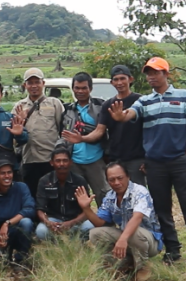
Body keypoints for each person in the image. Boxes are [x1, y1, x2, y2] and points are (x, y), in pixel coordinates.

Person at [108, 57, 186, 264]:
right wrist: (120, 116)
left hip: (180, 161)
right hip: (155, 164)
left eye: (156, 72)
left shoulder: (183, 96)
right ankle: (173, 251)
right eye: (148, 73)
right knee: (162, 209)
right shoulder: (144, 101)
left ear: (166, 74)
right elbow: (129, 114)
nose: (151, 77)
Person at [76, 162, 162, 281]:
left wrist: (122, 239)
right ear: (107, 181)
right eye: (112, 180)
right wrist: (86, 208)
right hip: (127, 239)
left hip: (149, 242)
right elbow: (99, 223)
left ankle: (142, 266)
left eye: (120, 178)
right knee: (95, 233)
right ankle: (119, 264)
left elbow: (137, 218)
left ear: (128, 176)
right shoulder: (110, 197)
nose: (116, 183)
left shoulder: (140, 191)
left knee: (133, 232)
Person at [61, 65, 146, 185]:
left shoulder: (141, 101)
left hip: (136, 159)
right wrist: (82, 138)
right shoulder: (107, 105)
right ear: (112, 83)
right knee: (117, 195)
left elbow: (150, 130)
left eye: (122, 78)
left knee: (138, 194)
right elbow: (99, 131)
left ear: (130, 79)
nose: (119, 82)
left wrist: (148, 158)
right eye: (116, 79)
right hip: (115, 158)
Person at [59, 72, 110, 206]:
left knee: (103, 194)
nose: (80, 91)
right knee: (77, 196)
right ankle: (81, 225)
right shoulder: (67, 110)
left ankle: (107, 224)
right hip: (75, 162)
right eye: (77, 88)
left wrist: (81, 138)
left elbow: (102, 132)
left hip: (96, 161)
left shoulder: (100, 107)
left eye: (84, 88)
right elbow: (61, 134)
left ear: (90, 89)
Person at [13, 68, 64, 199]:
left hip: (50, 159)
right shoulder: (19, 106)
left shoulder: (54, 103)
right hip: (29, 159)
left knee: (53, 194)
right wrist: (22, 120)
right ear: (25, 85)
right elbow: (14, 135)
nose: (34, 86)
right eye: (30, 83)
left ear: (43, 83)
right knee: (32, 194)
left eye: (37, 82)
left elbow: (62, 130)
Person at [35, 148, 94, 241]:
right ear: (51, 163)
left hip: (75, 221)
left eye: (65, 160)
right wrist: (48, 222)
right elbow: (40, 209)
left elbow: (86, 211)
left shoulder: (79, 181)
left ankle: (70, 241)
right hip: (54, 221)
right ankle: (64, 241)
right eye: (58, 161)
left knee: (90, 227)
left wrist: (71, 223)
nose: (61, 164)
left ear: (70, 162)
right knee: (41, 232)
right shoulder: (44, 181)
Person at [0, 160, 35, 264]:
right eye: (2, 173)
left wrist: (7, 223)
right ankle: (5, 257)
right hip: (1, 234)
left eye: (9, 172)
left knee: (26, 222)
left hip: (18, 229)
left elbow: (30, 209)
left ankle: (21, 259)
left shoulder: (21, 187)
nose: (7, 176)